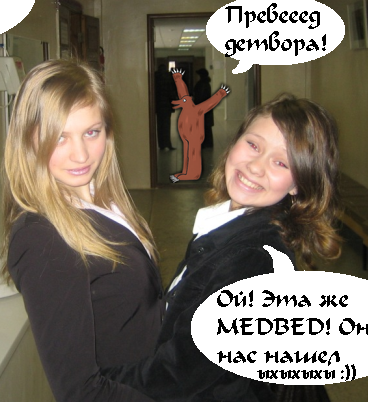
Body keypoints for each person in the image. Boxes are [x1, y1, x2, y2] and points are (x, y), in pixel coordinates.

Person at [104, 93, 342, 401]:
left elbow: (180, 372)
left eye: (280, 162)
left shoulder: (251, 261)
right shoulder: (231, 224)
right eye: (253, 145)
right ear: (235, 141)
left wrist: (97, 383)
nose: (256, 166)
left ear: (298, 184)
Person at [1, 59, 164, 402]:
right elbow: (80, 392)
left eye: (92, 132)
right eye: (59, 137)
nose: (81, 155)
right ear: (29, 140)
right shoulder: (41, 239)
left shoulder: (101, 199)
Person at [155, 64, 176, 150]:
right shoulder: (168, 78)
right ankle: (167, 143)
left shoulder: (155, 78)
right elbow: (171, 92)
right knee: (166, 125)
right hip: (166, 106)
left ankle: (161, 144)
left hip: (158, 106)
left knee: (160, 126)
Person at [193, 68, 214, 148]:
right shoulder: (205, 83)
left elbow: (200, 97)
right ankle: (207, 143)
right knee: (206, 126)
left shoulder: (202, 84)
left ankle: (204, 143)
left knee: (203, 126)